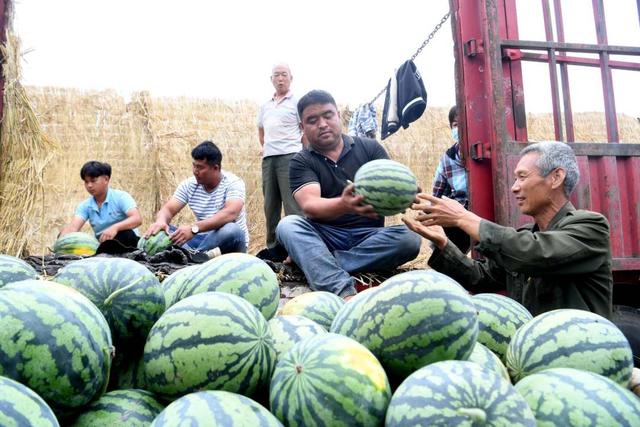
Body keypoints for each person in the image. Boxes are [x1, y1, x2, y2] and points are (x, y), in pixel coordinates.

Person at [404, 141, 613, 318]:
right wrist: (444, 244)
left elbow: (535, 254)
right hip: (532, 356)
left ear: (556, 178)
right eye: (515, 179)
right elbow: (481, 278)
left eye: (522, 177)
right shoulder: (527, 235)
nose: (514, 187)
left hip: (573, 360)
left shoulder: (591, 227)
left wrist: (462, 217)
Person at [276, 90, 422, 299]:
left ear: (338, 116)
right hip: (325, 236)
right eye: (312, 120)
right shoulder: (302, 161)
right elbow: (310, 205)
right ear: (302, 127)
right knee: (288, 225)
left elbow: (391, 186)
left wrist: (404, 194)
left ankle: (319, 263)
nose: (323, 124)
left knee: (409, 239)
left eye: (328, 115)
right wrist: (344, 204)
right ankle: (342, 291)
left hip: (368, 236)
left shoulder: (370, 149)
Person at [145, 140, 248, 255]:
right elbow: (168, 210)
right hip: (200, 241)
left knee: (232, 229)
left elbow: (230, 213)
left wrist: (194, 228)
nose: (195, 171)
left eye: (200, 167)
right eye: (194, 166)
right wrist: (161, 222)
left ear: (216, 168)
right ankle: (196, 256)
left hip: (227, 242)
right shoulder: (189, 185)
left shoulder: (233, 183)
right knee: (164, 231)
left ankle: (192, 257)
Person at [256, 63, 303, 261]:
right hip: (269, 159)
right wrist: (267, 147)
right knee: (270, 205)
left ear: (291, 78)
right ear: (271, 79)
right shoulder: (265, 105)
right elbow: (261, 130)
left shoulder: (296, 102)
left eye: (284, 75)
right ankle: (274, 250)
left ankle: (297, 250)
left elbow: (304, 128)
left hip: (290, 157)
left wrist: (304, 154)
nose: (280, 79)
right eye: (277, 75)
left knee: (292, 205)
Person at [60, 161, 141, 252]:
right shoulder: (85, 205)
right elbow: (73, 228)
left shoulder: (121, 197)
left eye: (93, 181)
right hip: (103, 246)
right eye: (86, 182)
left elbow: (137, 219)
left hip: (128, 243)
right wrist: (62, 240)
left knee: (127, 235)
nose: (89, 185)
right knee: (66, 237)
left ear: (106, 179)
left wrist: (115, 228)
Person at [431, 105, 471, 253]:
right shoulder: (448, 159)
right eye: (455, 125)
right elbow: (437, 193)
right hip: (458, 213)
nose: (459, 129)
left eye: (464, 124)